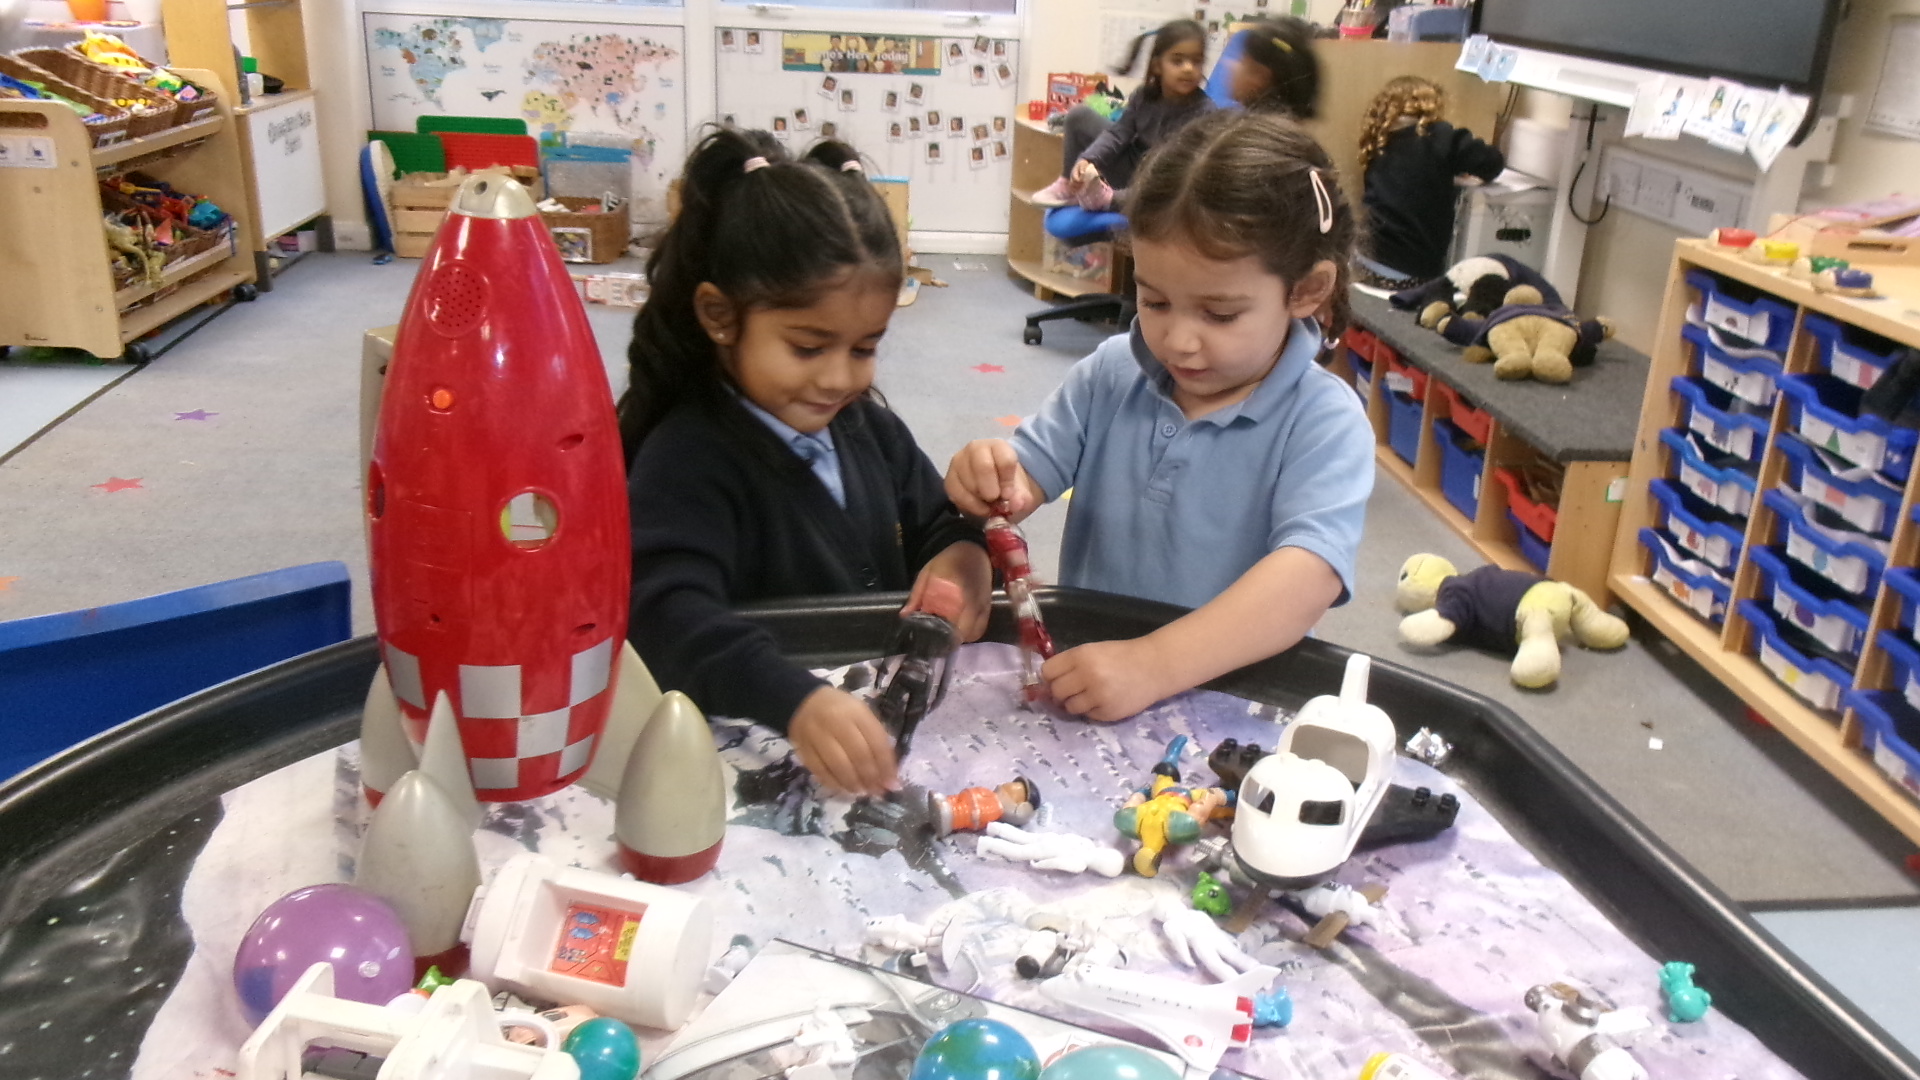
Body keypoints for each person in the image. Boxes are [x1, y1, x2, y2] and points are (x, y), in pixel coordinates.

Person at [945, 111, 1373, 722]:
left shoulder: (1325, 421)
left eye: (1219, 314)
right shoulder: (1111, 373)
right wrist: (990, 478)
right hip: (1091, 681)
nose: (1178, 340)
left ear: (1305, 291)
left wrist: (1154, 664)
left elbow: (1306, 580)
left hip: (1226, 699)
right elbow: (1024, 479)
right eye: (1155, 300)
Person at [622, 128, 992, 796]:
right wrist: (793, 700)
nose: (839, 379)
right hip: (743, 751)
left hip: (868, 728)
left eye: (864, 348)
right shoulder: (686, 459)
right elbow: (664, 618)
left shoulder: (869, 428)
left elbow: (936, 518)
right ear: (720, 316)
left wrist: (963, 552)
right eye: (808, 347)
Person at [1031, 19, 1212, 212]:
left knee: (1172, 186)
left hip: (1161, 185)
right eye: (1178, 61)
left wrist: (1115, 197)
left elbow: (1184, 177)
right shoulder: (1143, 96)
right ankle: (1070, 186)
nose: (1188, 69)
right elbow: (1118, 134)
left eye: (1196, 61)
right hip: (1130, 170)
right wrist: (1088, 159)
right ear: (1157, 66)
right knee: (1079, 116)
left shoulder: (1205, 113)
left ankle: (1109, 200)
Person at [1357, 75, 1505, 285]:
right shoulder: (1440, 136)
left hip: (1366, 257)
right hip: (1411, 268)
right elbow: (1491, 162)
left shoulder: (1379, 140)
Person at [1227, 17, 1320, 117]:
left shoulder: (1249, 126)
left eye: (1242, 61)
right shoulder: (1286, 124)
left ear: (1261, 76)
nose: (1230, 64)